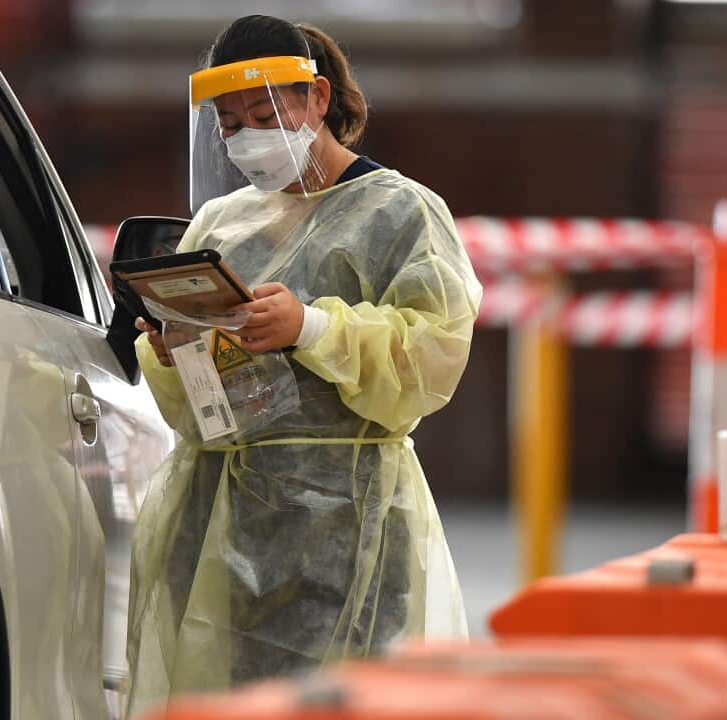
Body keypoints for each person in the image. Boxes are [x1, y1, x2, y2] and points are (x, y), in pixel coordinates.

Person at [125, 14, 483, 715]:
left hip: (347, 523)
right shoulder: (220, 224)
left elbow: (433, 354)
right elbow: (199, 407)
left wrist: (311, 326)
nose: (247, 137)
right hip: (219, 520)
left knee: (340, 700)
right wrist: (173, 351)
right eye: (229, 124)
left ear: (317, 98)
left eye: (264, 113)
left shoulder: (397, 213)